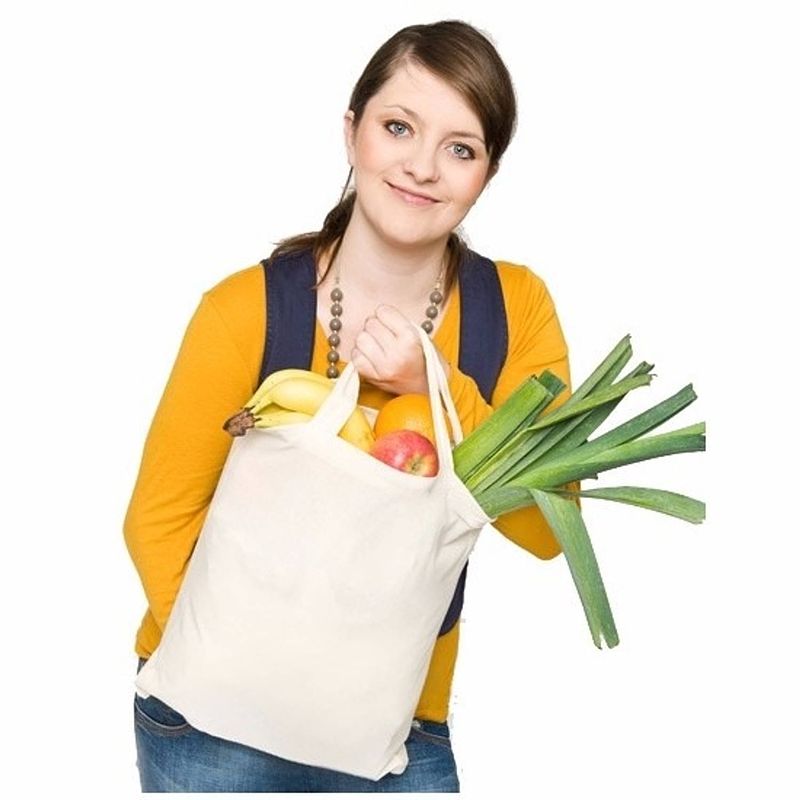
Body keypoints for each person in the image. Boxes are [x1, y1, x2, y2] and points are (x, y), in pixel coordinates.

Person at [124, 18, 579, 793]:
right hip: (213, 717)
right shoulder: (247, 312)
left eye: (459, 148)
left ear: (486, 173)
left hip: (399, 723)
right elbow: (157, 519)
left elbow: (548, 526)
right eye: (398, 127)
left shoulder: (515, 310)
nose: (422, 167)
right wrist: (262, 673)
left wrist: (432, 385)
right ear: (352, 132)